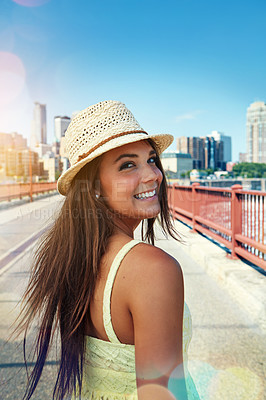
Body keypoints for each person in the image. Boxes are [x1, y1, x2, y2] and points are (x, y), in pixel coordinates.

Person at [17, 100, 200, 400]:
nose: (153, 175)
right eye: (128, 165)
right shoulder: (153, 269)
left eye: (151, 159)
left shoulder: (78, 257)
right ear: (94, 188)